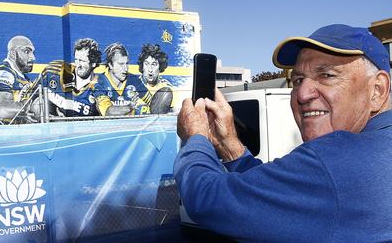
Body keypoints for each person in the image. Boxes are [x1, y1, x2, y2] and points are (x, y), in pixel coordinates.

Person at [175, 24, 392, 241]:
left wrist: (196, 136)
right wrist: (230, 146)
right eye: (297, 80)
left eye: (327, 75)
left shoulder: (337, 160)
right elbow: (273, 198)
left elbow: (205, 198)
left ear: (377, 89)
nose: (303, 94)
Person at [41, 38, 102, 117]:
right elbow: (31, 99)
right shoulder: (55, 71)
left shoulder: (99, 86)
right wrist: (43, 114)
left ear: (93, 63)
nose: (78, 65)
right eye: (76, 59)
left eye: (82, 61)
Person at [0, 36, 39, 124]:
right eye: (26, 51)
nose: (32, 57)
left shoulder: (25, 78)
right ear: (13, 54)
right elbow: (2, 109)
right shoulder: (4, 72)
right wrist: (32, 108)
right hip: (8, 132)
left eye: (32, 52)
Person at [94, 43, 148, 116]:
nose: (125, 68)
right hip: (110, 126)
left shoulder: (134, 80)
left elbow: (152, 101)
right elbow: (107, 112)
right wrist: (129, 107)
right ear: (110, 65)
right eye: (121, 64)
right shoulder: (100, 82)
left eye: (126, 63)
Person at [137, 43, 177, 114]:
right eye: (146, 64)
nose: (150, 69)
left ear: (160, 67)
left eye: (154, 64)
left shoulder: (167, 87)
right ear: (142, 66)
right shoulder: (134, 85)